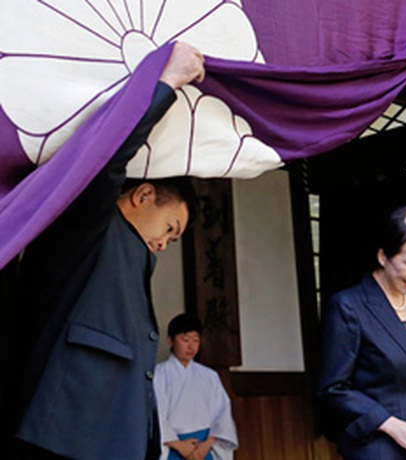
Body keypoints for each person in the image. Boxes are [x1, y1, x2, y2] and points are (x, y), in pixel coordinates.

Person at [3, 42, 206, 460]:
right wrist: (166, 83)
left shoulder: (129, 252)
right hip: (59, 433)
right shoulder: (88, 224)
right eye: (171, 228)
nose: (165, 243)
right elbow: (106, 158)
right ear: (144, 194)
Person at [318, 206, 406, 460]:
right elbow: (333, 388)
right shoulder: (350, 306)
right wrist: (391, 425)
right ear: (383, 256)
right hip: (376, 447)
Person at [154, 313, 238, 460]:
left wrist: (206, 445)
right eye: (185, 340)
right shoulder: (159, 374)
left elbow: (222, 414)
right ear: (170, 341)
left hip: (204, 449)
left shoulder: (209, 376)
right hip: (172, 448)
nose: (191, 346)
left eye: (196, 340)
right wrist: (179, 445)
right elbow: (156, 414)